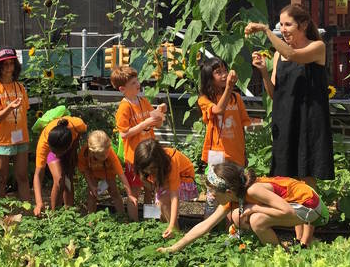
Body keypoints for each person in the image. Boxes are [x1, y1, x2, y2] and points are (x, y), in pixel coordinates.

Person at [245, 4, 334, 246]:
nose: (283, 30)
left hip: (309, 122)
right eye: (280, 25)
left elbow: (294, 55)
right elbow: (276, 94)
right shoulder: (277, 55)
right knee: (287, 184)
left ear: (303, 25)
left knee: (307, 180)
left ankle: (306, 240)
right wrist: (264, 73)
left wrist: (265, 30)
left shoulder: (317, 48)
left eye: (287, 25)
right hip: (285, 122)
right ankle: (297, 240)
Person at [158, 162, 329, 251]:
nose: (210, 196)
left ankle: (277, 253)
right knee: (236, 216)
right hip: (294, 207)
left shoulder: (254, 190)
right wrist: (174, 247)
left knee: (256, 219)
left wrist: (254, 209)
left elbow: (288, 211)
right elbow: (205, 225)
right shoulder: (233, 196)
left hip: (309, 207)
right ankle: (278, 249)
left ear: (228, 191)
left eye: (213, 192)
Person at [198, 57, 251, 218]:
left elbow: (241, 126)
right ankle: (208, 232)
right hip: (218, 157)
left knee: (234, 196)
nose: (224, 75)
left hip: (236, 156)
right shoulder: (204, 100)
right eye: (218, 72)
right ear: (209, 78)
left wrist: (244, 153)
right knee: (213, 196)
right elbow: (218, 110)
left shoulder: (237, 98)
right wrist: (229, 87)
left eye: (225, 71)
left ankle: (232, 232)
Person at [112, 66, 167, 208]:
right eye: (133, 83)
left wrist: (160, 113)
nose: (138, 85)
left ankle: (149, 220)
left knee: (151, 188)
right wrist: (145, 123)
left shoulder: (143, 101)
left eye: (137, 81)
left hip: (150, 153)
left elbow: (157, 124)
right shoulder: (124, 107)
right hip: (134, 157)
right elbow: (124, 133)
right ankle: (133, 223)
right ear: (122, 89)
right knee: (135, 191)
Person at [0, 47, 31, 202]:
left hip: (21, 136)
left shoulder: (20, 86)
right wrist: (10, 107)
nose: (8, 67)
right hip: (2, 138)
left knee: (23, 175)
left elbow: (25, 111)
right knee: (1, 177)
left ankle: (28, 210)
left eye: (11, 64)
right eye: (4, 64)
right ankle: (0, 212)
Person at [133, 139, 197, 239]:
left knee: (163, 201)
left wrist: (172, 225)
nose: (148, 171)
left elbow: (174, 197)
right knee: (159, 204)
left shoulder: (172, 162)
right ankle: (165, 229)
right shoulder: (148, 163)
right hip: (165, 180)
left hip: (184, 179)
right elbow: (152, 187)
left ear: (158, 162)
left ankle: (175, 233)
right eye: (146, 169)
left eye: (151, 169)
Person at [77, 130, 139, 220]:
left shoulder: (110, 153)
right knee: (91, 193)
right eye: (102, 155)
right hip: (92, 172)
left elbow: (121, 174)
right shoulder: (84, 153)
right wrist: (91, 185)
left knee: (114, 192)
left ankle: (122, 216)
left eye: (107, 153)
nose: (105, 156)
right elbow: (85, 171)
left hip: (108, 171)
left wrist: (129, 194)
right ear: (92, 152)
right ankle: (91, 218)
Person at [33, 117, 87, 216]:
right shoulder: (44, 145)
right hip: (55, 148)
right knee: (59, 180)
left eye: (59, 153)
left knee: (68, 179)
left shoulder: (77, 125)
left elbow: (83, 134)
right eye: (56, 152)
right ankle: (55, 215)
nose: (58, 155)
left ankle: (69, 214)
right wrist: (39, 202)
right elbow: (38, 175)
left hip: (69, 148)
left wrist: (74, 150)